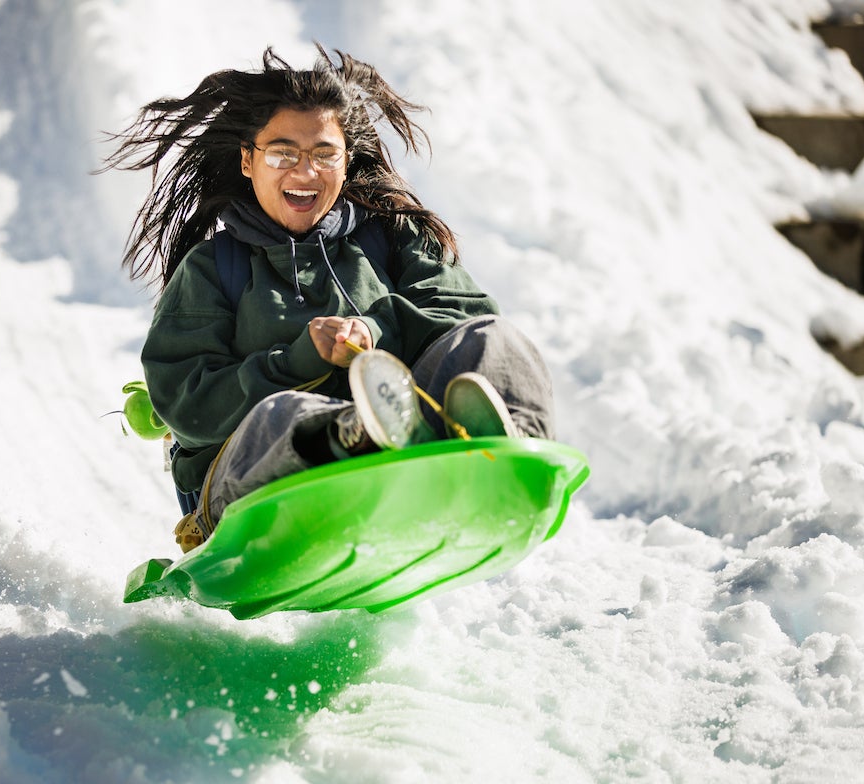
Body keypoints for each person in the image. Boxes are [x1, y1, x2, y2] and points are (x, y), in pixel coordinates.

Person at [104, 46, 554, 552]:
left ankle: (510, 460)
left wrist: (375, 330)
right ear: (249, 162)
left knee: (490, 339)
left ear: (347, 161)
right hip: (248, 492)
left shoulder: (390, 237)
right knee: (282, 416)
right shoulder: (214, 270)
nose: (304, 171)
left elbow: (465, 311)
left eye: (324, 154)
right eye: (282, 154)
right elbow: (188, 406)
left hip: (397, 453)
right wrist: (296, 360)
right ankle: (354, 442)